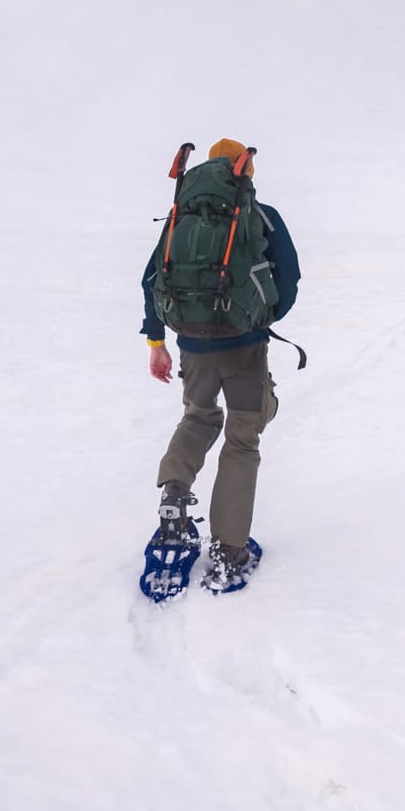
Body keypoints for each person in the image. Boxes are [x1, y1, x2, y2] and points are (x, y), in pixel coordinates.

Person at [141, 138, 300, 589]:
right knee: (242, 438)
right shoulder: (259, 215)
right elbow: (289, 279)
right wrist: (259, 318)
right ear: (242, 171)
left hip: (191, 343)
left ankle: (174, 489)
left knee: (198, 416)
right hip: (245, 343)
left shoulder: (181, 216)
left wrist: (158, 340)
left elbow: (151, 278)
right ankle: (230, 549)